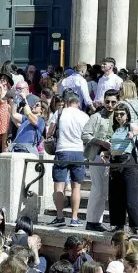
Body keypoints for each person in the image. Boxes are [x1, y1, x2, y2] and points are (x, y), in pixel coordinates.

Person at [48, 92, 89, 227]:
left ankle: (60, 217)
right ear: (78, 102)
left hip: (62, 151)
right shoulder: (84, 116)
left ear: (66, 102)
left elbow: (50, 132)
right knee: (76, 187)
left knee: (59, 185)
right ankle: (74, 218)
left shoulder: (59, 113)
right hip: (78, 151)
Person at [82, 89, 120, 232]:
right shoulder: (96, 116)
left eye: (113, 102)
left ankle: (97, 221)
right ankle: (92, 221)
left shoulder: (120, 115)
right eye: (107, 102)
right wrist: (101, 142)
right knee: (98, 189)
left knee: (105, 191)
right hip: (98, 156)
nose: (110, 105)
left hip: (115, 157)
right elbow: (85, 134)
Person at [105, 103, 138, 233]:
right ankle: (117, 224)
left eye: (122, 114)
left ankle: (136, 226)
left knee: (131, 197)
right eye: (117, 114)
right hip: (114, 162)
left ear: (127, 115)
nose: (119, 116)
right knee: (115, 196)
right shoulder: (116, 129)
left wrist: (132, 134)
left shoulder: (129, 126)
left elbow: (135, 129)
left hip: (127, 162)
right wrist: (106, 153)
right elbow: (114, 148)